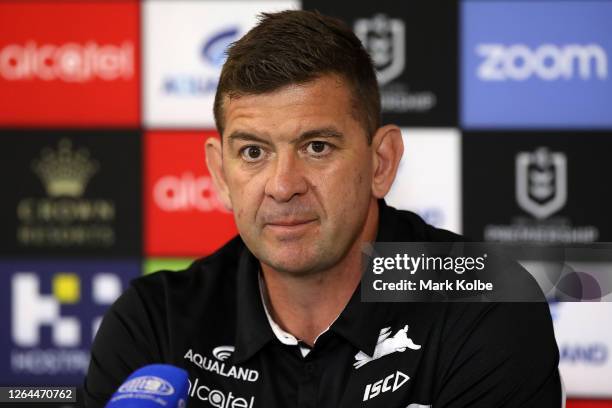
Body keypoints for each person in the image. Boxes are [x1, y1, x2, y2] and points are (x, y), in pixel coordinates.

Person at [84, 10, 562, 407]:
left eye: (316, 147)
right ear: (219, 173)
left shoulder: (485, 303)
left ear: (381, 162)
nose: (283, 185)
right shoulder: (154, 322)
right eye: (253, 152)